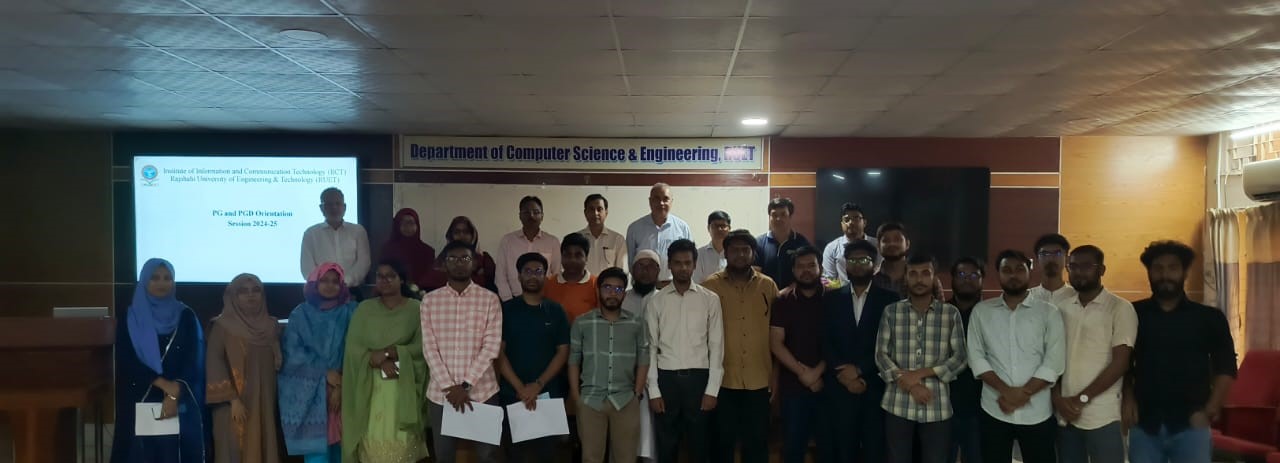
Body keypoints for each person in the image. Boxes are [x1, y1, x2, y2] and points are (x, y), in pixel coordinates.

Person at [1125, 241, 1237, 463]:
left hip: (1191, 425)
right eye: (1158, 268)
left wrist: (1210, 410)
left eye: (1173, 268)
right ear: (1149, 273)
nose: (1165, 275)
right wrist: (1127, 398)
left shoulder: (1209, 318)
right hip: (1144, 424)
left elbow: (1226, 367)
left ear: (1185, 272)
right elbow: (1123, 363)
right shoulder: (1131, 314)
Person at [967, 249, 1066, 463]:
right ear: (998, 274)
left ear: (1030, 271)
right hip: (995, 409)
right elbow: (976, 358)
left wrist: (1024, 393)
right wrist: (1006, 391)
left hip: (1037, 412)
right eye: (1007, 270)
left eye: (1019, 269)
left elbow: (1054, 361)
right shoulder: (982, 312)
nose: (1013, 275)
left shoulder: (1049, 312)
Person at [874, 254, 967, 463]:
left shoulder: (950, 313)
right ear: (906, 277)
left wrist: (920, 374)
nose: (919, 279)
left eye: (925, 273)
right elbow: (881, 355)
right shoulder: (891, 312)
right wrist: (911, 385)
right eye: (913, 274)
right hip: (897, 403)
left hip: (937, 405)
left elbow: (960, 357)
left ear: (934, 277)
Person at [111, 258, 207, 463]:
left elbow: (194, 358)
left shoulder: (186, 316)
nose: (162, 283)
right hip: (140, 394)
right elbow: (126, 359)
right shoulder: (130, 317)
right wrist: (163, 384)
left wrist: (173, 393)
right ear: (144, 280)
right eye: (155, 278)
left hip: (179, 398)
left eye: (167, 278)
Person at [421, 241, 504, 462]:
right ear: (444, 264)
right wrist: (450, 387)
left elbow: (491, 347)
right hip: (441, 395)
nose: (459, 263)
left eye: (465, 258)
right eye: (453, 259)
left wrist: (465, 385)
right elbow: (429, 348)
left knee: (487, 456)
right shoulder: (429, 301)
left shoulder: (489, 299)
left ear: (474, 263)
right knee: (444, 456)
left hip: (483, 391)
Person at [1052, 245, 1136, 463]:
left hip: (1103, 416)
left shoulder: (1120, 308)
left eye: (1086, 266)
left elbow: (1120, 363)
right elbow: (1052, 358)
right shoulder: (1061, 307)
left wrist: (1081, 399)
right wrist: (1058, 399)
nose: (1079, 272)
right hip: (1066, 415)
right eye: (1073, 266)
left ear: (1102, 270)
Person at [701, 229, 778, 463]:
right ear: (725, 253)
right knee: (722, 443)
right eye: (734, 250)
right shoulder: (710, 286)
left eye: (746, 250)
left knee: (757, 444)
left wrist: (776, 375)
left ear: (754, 253)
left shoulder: (768, 286)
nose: (740, 255)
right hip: (722, 380)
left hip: (759, 379)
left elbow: (777, 332)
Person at [341, 260, 429, 462]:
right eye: (380, 276)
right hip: (370, 387)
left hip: (403, 385)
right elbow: (353, 348)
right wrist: (375, 358)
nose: (384, 280)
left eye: (390, 276)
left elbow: (423, 346)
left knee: (401, 446)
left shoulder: (416, 309)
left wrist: (392, 352)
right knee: (372, 443)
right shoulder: (365, 309)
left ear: (402, 280)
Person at [646, 238, 724, 463]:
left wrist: (712, 389)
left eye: (687, 263)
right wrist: (654, 391)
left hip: (699, 380)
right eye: (677, 263)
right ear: (669, 265)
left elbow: (717, 345)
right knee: (666, 444)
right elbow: (650, 347)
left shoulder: (710, 299)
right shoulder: (656, 301)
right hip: (666, 379)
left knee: (700, 445)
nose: (683, 268)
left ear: (695, 264)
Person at [823, 240, 899, 463]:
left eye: (864, 260)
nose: (857, 265)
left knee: (875, 451)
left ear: (874, 265)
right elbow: (825, 340)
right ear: (845, 265)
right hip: (840, 388)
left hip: (874, 387)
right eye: (852, 260)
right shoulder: (831, 298)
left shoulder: (890, 300)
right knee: (843, 451)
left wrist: (859, 370)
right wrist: (843, 375)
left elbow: (891, 344)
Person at [570, 267, 651, 463]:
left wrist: (637, 394)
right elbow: (573, 360)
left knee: (626, 458)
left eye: (618, 289)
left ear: (624, 293)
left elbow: (644, 359)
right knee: (591, 458)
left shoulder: (637, 323)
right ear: (598, 290)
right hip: (590, 400)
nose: (612, 293)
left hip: (625, 400)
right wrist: (577, 397)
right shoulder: (582, 322)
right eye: (607, 288)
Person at [280, 263, 357, 463]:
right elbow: (292, 353)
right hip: (311, 394)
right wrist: (324, 373)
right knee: (317, 456)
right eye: (324, 280)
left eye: (335, 281)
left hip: (347, 387)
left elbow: (358, 350)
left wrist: (340, 384)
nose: (330, 285)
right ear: (314, 283)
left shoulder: (351, 312)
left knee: (345, 452)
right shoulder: (300, 314)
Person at [497, 252, 571, 463]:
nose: (532, 276)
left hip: (547, 394)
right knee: (515, 455)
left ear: (545, 276)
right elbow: (498, 353)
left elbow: (563, 351)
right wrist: (521, 388)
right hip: (513, 394)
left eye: (538, 271)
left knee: (547, 455)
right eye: (527, 271)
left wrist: (538, 385)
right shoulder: (506, 310)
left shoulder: (556, 310)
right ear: (519, 276)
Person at [207, 273, 281, 463]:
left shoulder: (271, 326)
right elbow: (214, 363)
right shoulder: (222, 326)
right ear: (233, 296)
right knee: (234, 448)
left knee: (263, 443)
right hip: (234, 404)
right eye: (243, 291)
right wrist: (233, 400)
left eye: (256, 290)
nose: (251, 295)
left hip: (264, 403)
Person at [769, 245, 830, 463]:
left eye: (811, 265)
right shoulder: (783, 299)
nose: (806, 271)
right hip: (793, 386)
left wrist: (817, 372)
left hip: (829, 385)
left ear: (820, 268)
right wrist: (803, 373)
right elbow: (776, 343)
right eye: (800, 266)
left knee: (829, 448)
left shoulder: (834, 298)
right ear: (793, 270)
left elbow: (839, 342)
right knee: (793, 448)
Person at [946, 257, 986, 463]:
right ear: (952, 279)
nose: (967, 280)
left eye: (973, 275)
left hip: (980, 404)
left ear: (982, 280)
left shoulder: (991, 314)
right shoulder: (939, 312)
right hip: (944, 403)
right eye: (961, 274)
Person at [301, 187, 371, 289]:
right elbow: (307, 268)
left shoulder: (358, 231)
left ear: (344, 207)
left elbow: (363, 263)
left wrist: (344, 282)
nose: (334, 208)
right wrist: (326, 285)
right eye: (329, 204)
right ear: (321, 208)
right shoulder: (311, 233)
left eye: (338, 203)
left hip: (352, 290)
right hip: (321, 291)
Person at [496, 196, 561, 301]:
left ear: (542, 216)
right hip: (513, 300)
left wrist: (549, 300)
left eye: (536, 212)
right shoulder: (507, 241)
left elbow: (556, 275)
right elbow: (500, 276)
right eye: (526, 212)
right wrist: (509, 301)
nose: (531, 216)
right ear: (520, 216)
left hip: (544, 301)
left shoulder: (552, 242)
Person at [626, 182, 693, 283]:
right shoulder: (635, 228)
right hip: (644, 287)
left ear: (671, 201)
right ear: (650, 201)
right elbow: (630, 262)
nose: (661, 203)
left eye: (665, 199)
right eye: (656, 198)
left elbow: (689, 260)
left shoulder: (682, 228)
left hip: (673, 286)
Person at [422, 216, 498, 293]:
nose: (461, 235)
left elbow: (493, 287)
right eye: (457, 232)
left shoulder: (484, 260)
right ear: (451, 235)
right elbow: (429, 285)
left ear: (473, 236)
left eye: (466, 232)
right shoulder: (442, 260)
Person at [872, 222, 943, 300]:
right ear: (878, 246)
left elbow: (940, 306)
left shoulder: (929, 279)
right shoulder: (870, 278)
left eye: (897, 239)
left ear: (907, 244)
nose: (892, 244)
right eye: (886, 240)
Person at [755, 197, 812, 289]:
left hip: (794, 294)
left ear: (790, 216)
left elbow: (807, 271)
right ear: (769, 217)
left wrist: (787, 291)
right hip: (766, 294)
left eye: (783, 214)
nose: (778, 219)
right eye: (774, 215)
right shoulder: (759, 243)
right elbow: (756, 275)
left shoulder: (801, 242)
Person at [544, 232, 600, 321]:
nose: (572, 260)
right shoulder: (549, 284)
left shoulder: (596, 285)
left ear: (586, 258)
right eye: (567, 255)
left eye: (578, 255)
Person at [822, 203, 879, 286]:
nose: (851, 222)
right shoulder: (832, 248)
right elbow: (828, 280)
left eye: (856, 218)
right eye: (846, 219)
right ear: (842, 224)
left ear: (864, 223)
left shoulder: (877, 245)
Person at [380, 208, 436, 289]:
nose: (408, 227)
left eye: (411, 223)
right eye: (403, 223)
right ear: (397, 226)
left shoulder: (427, 251)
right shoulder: (388, 250)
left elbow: (429, 278)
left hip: (421, 292)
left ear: (417, 225)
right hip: (392, 290)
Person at [580, 193, 628, 276]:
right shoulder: (577, 239)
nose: (595, 213)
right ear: (585, 213)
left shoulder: (617, 239)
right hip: (582, 284)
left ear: (606, 212)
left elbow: (622, 271)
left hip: (608, 284)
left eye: (599, 209)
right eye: (591, 209)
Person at [1029, 233, 1077, 307]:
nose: (1050, 259)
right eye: (1044, 254)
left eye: (1057, 253)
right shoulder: (1027, 297)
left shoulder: (1077, 296)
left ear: (1067, 259)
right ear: (1037, 259)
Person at [693, 211, 731, 284]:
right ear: (708, 228)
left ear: (729, 228)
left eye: (723, 226)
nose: (719, 229)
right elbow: (697, 282)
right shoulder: (699, 254)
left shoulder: (734, 254)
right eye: (715, 226)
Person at [623, 249, 662, 317]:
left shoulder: (664, 299)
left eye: (650, 266)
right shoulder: (622, 299)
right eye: (640, 266)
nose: (645, 271)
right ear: (633, 270)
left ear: (658, 271)